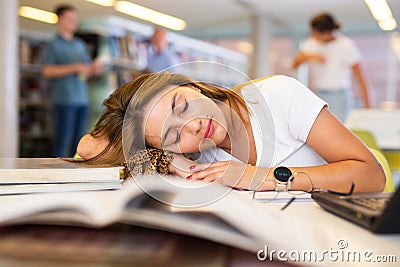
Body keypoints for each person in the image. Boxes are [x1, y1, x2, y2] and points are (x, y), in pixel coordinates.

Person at [77, 72, 385, 193]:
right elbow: (88, 146)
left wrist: (259, 176)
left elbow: (372, 176)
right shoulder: (196, 154)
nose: (194, 125)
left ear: (191, 84)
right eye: (173, 135)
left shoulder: (279, 95)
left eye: (182, 104)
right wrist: (169, 157)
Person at [42, 4, 103, 157]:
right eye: (69, 18)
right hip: (63, 101)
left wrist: (94, 69)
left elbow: (86, 70)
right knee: (62, 143)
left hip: (82, 101)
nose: (73, 22)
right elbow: (47, 71)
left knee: (79, 145)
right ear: (60, 20)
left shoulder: (79, 45)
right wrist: (74, 67)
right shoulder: (53, 45)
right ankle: (56, 178)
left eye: (75, 19)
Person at [292, 13, 371, 122]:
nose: (312, 34)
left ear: (325, 33)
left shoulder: (346, 45)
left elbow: (360, 77)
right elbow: (295, 64)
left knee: (340, 129)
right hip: (318, 94)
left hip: (340, 95)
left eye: (314, 32)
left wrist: (368, 106)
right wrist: (309, 56)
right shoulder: (311, 44)